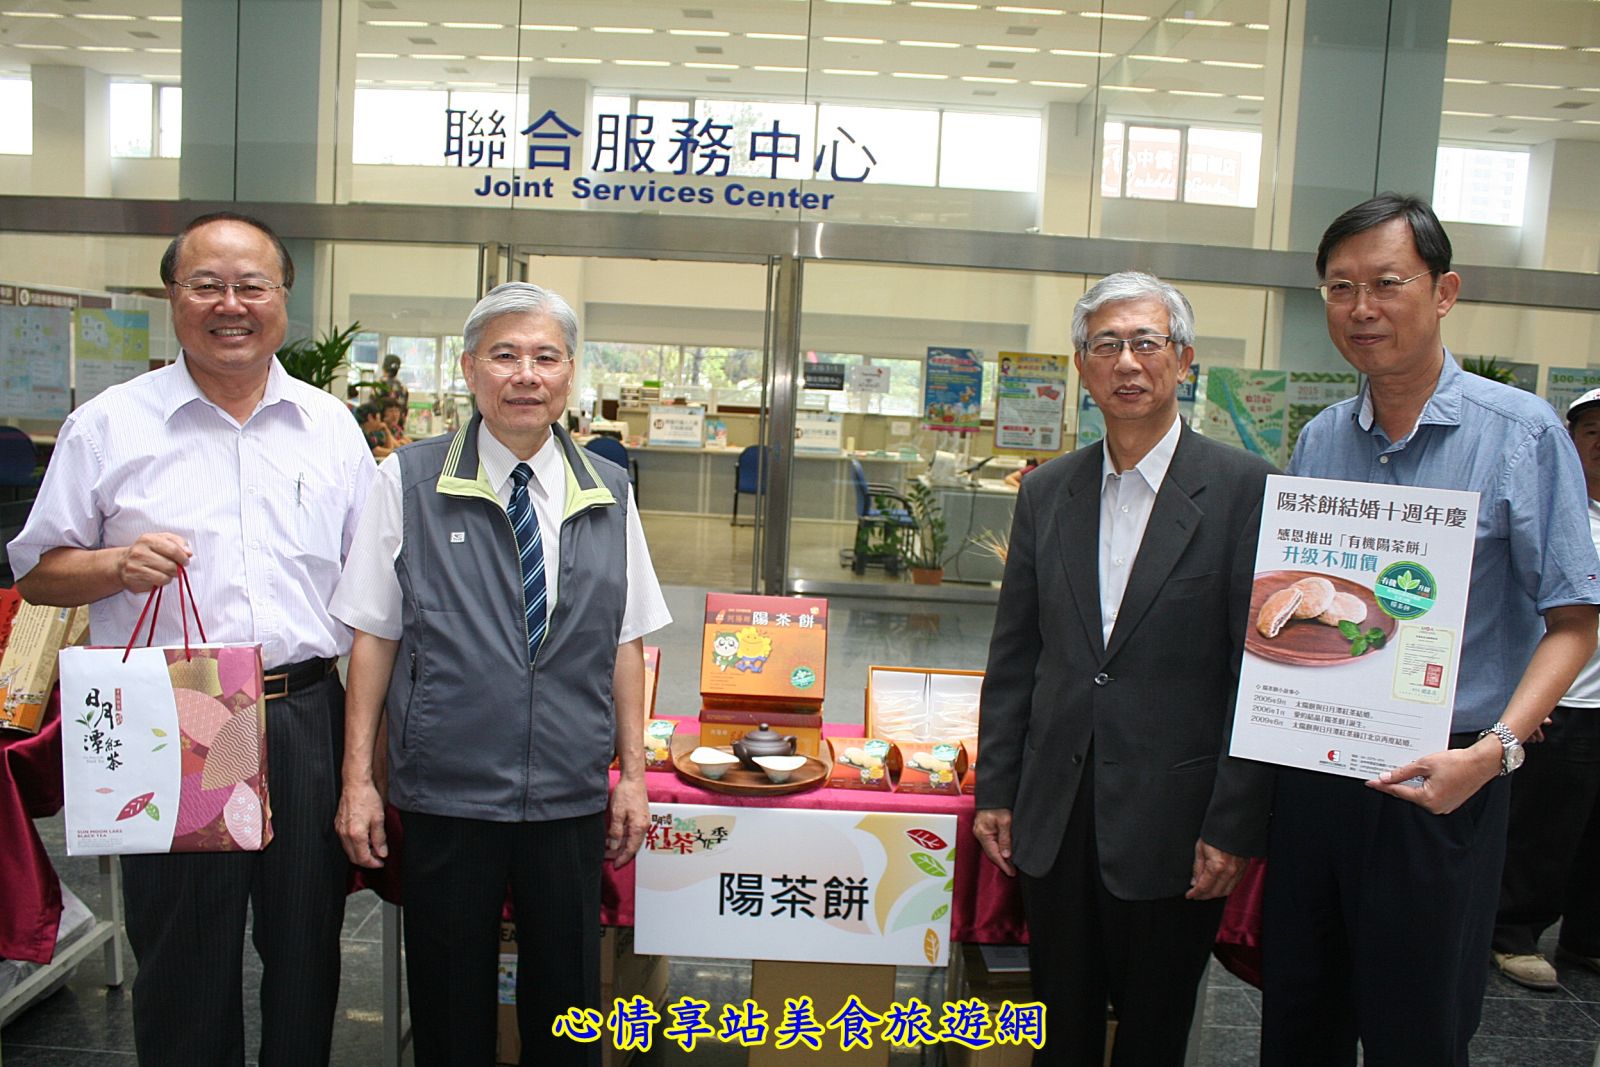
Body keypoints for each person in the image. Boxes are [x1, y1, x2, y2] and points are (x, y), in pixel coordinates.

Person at [8, 211, 376, 1065]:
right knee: (182, 954)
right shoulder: (108, 424)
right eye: (206, 285)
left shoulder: (330, 427)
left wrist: (368, 759)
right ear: (173, 296)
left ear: (283, 297)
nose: (230, 305)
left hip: (302, 712)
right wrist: (113, 565)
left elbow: (371, 599)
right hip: (170, 720)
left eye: (252, 285)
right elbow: (38, 574)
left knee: (307, 946)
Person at [1260, 194, 1600, 1066]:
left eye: (1387, 283)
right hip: (1316, 766)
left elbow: (1575, 621)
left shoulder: (1519, 434)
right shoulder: (1321, 440)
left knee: (1419, 1029)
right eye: (1340, 287)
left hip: (1444, 780)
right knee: (1300, 1015)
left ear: (1444, 292)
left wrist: (1494, 750)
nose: (1361, 307)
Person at [331, 282, 670, 1065]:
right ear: (469, 368)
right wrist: (359, 781)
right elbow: (373, 637)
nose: (526, 374)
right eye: (505, 355)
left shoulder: (610, 490)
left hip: (568, 792)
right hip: (449, 790)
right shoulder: (408, 482)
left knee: (568, 1007)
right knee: (450, 1008)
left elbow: (625, 641)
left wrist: (633, 775)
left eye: (546, 357)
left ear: (570, 373)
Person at [975, 271, 1275, 1066]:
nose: (1128, 362)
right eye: (1106, 344)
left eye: (1147, 341)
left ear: (1184, 359)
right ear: (1082, 366)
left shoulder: (1246, 490)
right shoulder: (1048, 491)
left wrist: (1233, 823)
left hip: (1176, 820)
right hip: (1056, 810)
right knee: (1060, 1027)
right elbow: (1016, 655)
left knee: (1153, 1033)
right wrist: (997, 789)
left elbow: (1259, 672)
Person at [1489, 387, 1600, 990]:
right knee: (1544, 829)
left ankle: (1588, 937)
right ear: (1570, 441)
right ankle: (1512, 933)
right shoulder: (1554, 511)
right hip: (1561, 703)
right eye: (1592, 432)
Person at [371, 352, 409, 426]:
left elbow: (372, 408)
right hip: (397, 427)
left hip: (380, 427)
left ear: (383, 367)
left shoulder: (378, 385)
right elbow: (405, 411)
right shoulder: (403, 388)